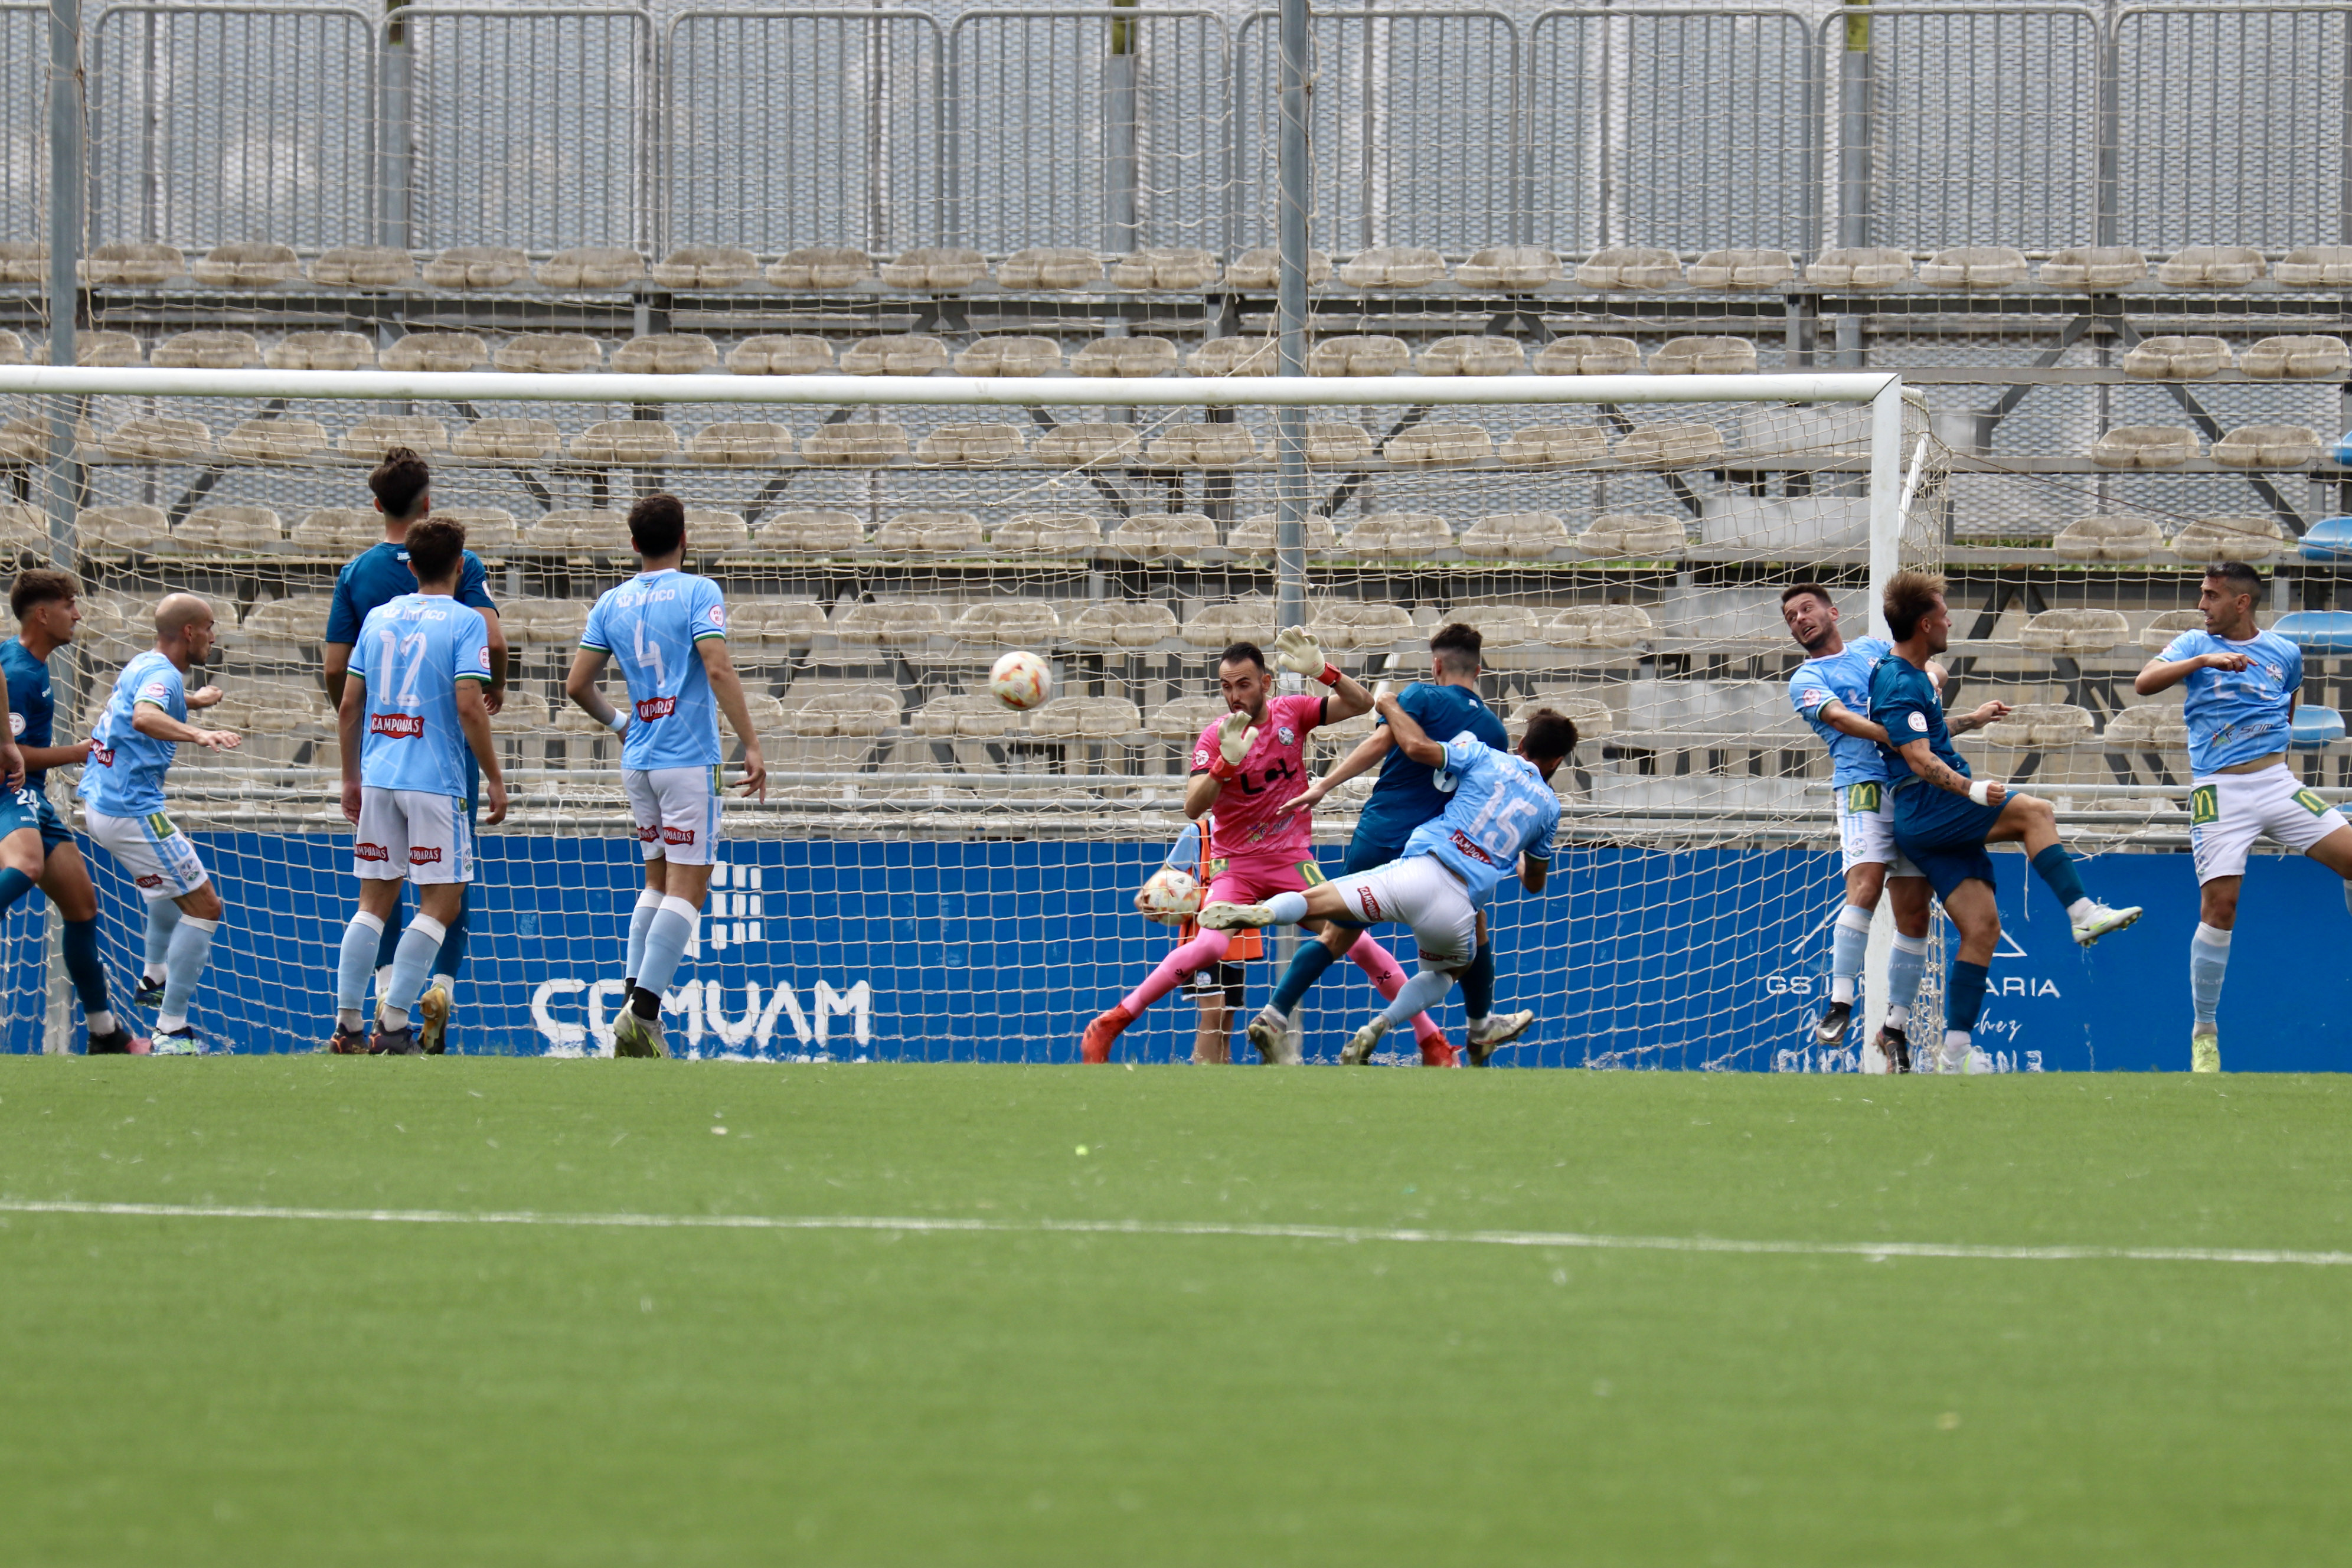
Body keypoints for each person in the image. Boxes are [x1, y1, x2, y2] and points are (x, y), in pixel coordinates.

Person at [1078, 632, 1452, 1065]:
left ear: (1266, 683)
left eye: (1244, 684)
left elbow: (1363, 704)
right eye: (1226, 686)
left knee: (1357, 940)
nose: (1234, 695)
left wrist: (1323, 672)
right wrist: (1225, 764)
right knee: (1210, 949)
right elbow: (1192, 806)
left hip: (1291, 860)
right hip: (1235, 867)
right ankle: (1110, 1023)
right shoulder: (1214, 738)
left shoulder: (1291, 714)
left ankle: (1432, 1042)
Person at [1867, 570, 2142, 1074]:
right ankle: (2081, 912)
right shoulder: (1899, 677)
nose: (1951, 621)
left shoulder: (1911, 675)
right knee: (2036, 812)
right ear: (1926, 624)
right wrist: (1971, 789)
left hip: (1932, 815)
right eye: (1945, 615)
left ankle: (1954, 1054)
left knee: (1984, 929)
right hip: (1930, 808)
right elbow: (1917, 758)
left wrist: (1972, 720)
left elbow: (1924, 734)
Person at [1201, 695, 1575, 1065]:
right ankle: (1401, 1025)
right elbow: (1535, 882)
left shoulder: (1476, 748)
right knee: (1450, 970)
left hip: (1410, 864)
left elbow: (1416, 747)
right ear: (1558, 761)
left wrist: (1388, 705)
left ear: (1521, 743)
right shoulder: (1547, 806)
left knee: (1324, 915)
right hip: (1460, 903)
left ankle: (1265, 929)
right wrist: (1512, 857)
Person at [1259, 622, 1534, 1066]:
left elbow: (1379, 741)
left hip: (1380, 831)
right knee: (1472, 931)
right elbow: (1492, 803)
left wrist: (1324, 785)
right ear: (1479, 670)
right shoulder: (1494, 733)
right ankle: (1479, 1025)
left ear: (1436, 664)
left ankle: (1274, 1015)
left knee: (1336, 936)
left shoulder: (1419, 697)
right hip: (1433, 856)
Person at [564, 493, 768, 1059]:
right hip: (687, 760)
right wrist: (750, 742)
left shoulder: (611, 602)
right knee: (689, 886)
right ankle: (645, 1014)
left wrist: (622, 722)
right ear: (685, 538)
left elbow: (577, 684)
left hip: (640, 761)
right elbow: (718, 665)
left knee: (656, 882)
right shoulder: (700, 591)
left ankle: (634, 1010)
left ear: (634, 544)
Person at [2132, 561, 2352, 1073]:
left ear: (2241, 602)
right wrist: (2204, 661)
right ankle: (2204, 1032)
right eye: (2202, 595)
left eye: (2210, 596)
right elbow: (2144, 683)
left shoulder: (2283, 651)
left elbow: (2288, 700)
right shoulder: (2193, 644)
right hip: (2219, 790)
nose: (2201, 605)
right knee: (2221, 907)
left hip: (2276, 783)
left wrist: (2273, 752)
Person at [322, 447, 507, 1053]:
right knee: (444, 899)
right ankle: (397, 1021)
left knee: (372, 903)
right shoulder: (465, 622)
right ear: (459, 565)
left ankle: (349, 1022)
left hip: (378, 770)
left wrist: (350, 775)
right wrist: (496, 778)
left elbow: (348, 703)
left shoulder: (376, 617)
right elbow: (468, 705)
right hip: (435, 776)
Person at [1780, 581, 2007, 1070]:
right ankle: (1841, 1004)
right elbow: (1842, 719)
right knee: (1864, 885)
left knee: (1915, 915)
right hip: (1862, 785)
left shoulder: (1871, 651)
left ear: (1833, 612)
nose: (1800, 619)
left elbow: (1923, 676)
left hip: (1909, 788)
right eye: (1791, 617)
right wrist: (1902, 734)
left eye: (1806, 609)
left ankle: (1895, 1029)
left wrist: (1958, 712)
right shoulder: (1805, 678)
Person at [77, 593, 241, 1054]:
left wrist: (194, 701)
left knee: (171, 885)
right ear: (189, 632)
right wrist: (199, 732)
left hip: (104, 806)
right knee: (206, 906)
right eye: (210, 626)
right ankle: (171, 1031)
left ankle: (154, 976)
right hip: (131, 810)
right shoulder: (161, 674)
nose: (214, 636)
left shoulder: (144, 664)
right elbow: (145, 715)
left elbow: (151, 698)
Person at [0, 571, 143, 1052]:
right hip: (10, 791)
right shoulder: (19, 676)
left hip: (31, 796)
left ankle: (104, 1032)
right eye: (69, 605)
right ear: (43, 615)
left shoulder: (27, 664)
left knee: (82, 907)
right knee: (27, 864)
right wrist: (82, 751)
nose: (78, 614)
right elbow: (10, 754)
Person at [1138, 819, 1259, 1064]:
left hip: (1236, 938)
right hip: (1202, 937)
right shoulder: (1198, 833)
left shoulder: (1255, 831)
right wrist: (1145, 898)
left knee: (1227, 1020)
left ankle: (1222, 1080)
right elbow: (1165, 875)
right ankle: (1202, 1074)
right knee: (1213, 1013)